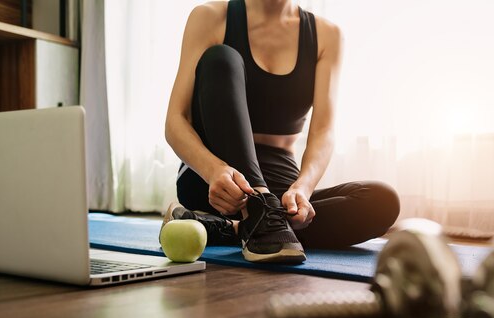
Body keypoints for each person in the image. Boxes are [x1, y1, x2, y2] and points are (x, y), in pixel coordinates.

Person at [162, 0, 400, 263]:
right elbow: (175, 121)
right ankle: (260, 216)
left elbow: (323, 131)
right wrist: (213, 170)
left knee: (383, 201)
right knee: (221, 58)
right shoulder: (210, 17)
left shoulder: (326, 35)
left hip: (279, 189)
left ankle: (234, 228)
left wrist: (303, 188)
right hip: (220, 184)